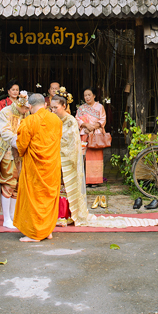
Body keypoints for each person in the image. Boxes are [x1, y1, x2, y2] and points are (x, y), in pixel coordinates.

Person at [14, 93, 64, 242]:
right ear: (45, 105)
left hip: (35, 168)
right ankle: (47, 230)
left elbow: (21, 146)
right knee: (48, 198)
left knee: (34, 199)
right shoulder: (56, 120)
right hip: (52, 166)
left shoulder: (28, 121)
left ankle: (35, 233)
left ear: (29, 106)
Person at [0, 91, 30, 229]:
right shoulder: (5, 112)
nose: (26, 112)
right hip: (6, 150)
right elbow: (5, 133)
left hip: (20, 152)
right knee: (8, 182)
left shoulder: (25, 114)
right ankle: (6, 218)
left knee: (18, 184)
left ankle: (13, 215)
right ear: (19, 106)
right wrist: (19, 143)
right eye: (25, 109)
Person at [51, 93, 89, 226]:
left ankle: (65, 214)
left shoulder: (71, 120)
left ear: (64, 106)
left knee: (65, 187)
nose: (53, 110)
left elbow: (70, 141)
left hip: (67, 158)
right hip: (54, 157)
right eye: (51, 108)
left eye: (56, 107)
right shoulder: (52, 119)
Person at [76, 87, 109, 188]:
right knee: (83, 156)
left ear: (94, 96)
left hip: (95, 134)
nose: (87, 97)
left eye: (89, 95)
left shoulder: (100, 107)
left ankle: (94, 180)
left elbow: (103, 119)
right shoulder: (81, 108)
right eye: (85, 95)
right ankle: (83, 179)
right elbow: (77, 119)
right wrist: (85, 125)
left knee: (95, 157)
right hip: (84, 134)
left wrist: (92, 127)